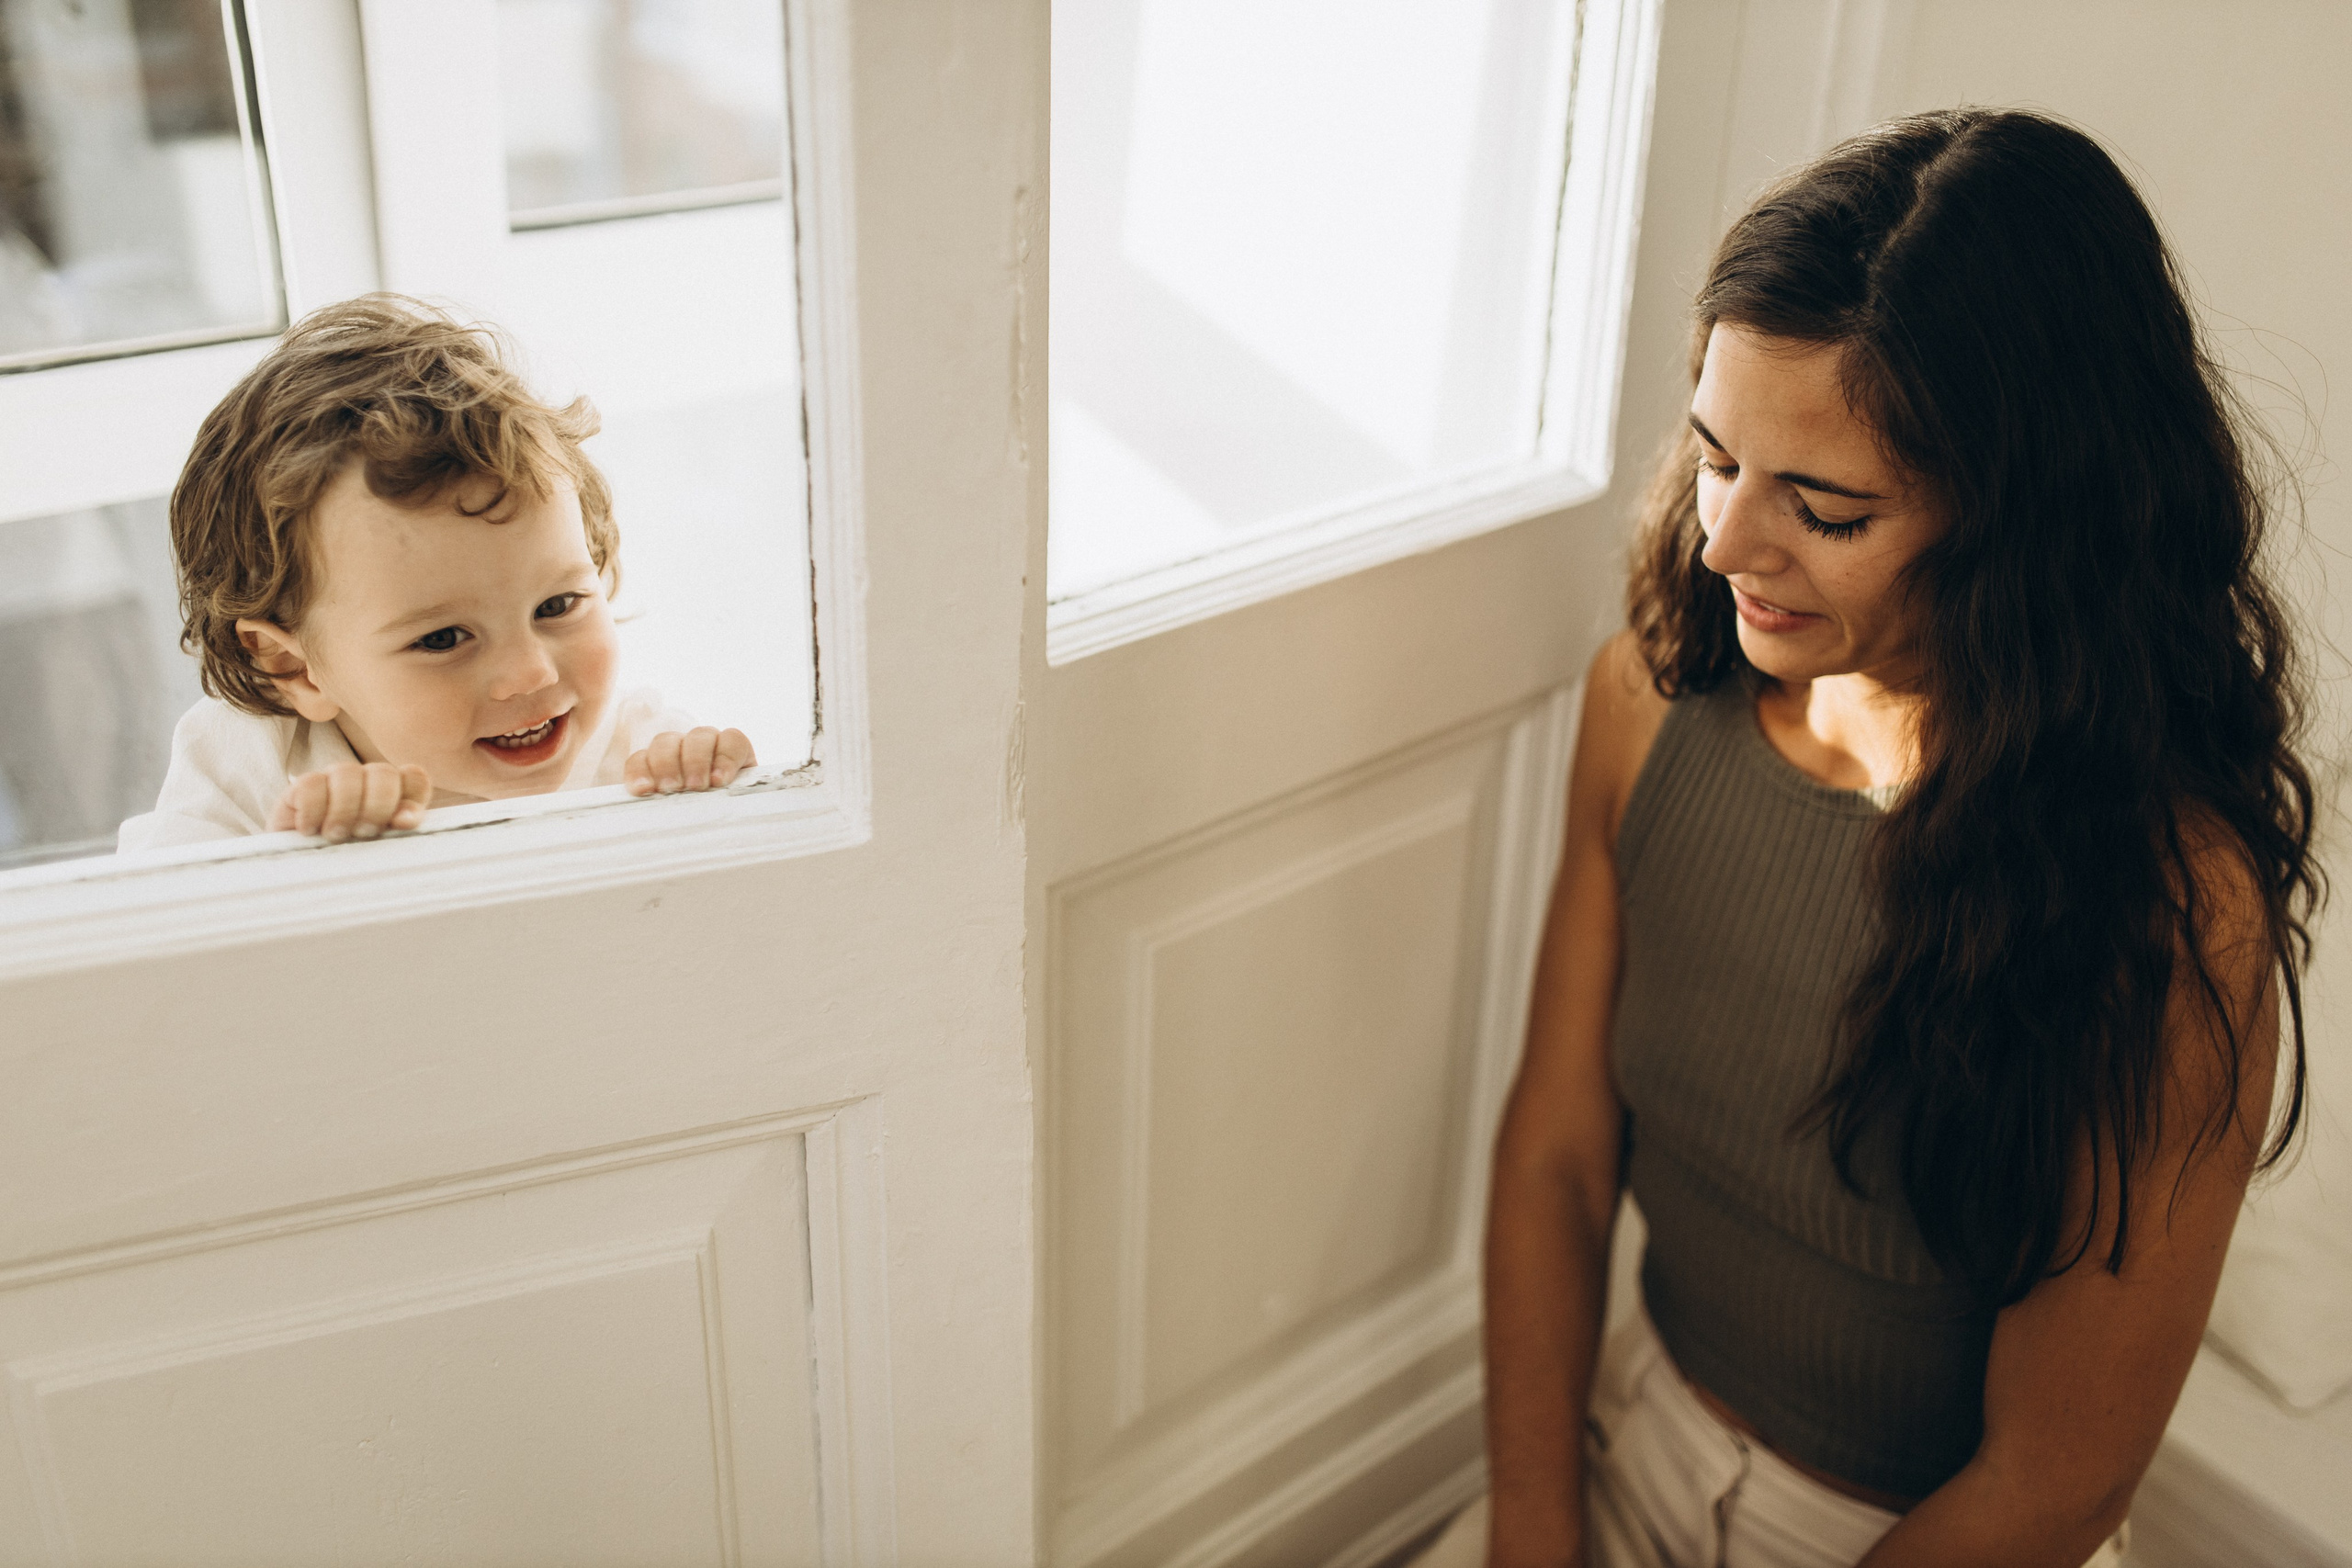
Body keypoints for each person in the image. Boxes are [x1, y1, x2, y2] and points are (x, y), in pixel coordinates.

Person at [1420, 108, 2318, 1568]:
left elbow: (2052, 1481)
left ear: (2027, 526)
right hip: (1625, 1439)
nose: (1723, 545)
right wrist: (1537, 1525)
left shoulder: (2168, 906)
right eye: (1717, 458)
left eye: (1823, 507)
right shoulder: (1651, 699)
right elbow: (1559, 1158)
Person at [117, 296, 755, 851]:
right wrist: (283, 866)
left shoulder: (642, 755)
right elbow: (151, 946)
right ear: (294, 666)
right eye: (444, 638)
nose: (532, 672)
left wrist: (718, 800)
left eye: (557, 604)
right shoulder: (252, 763)